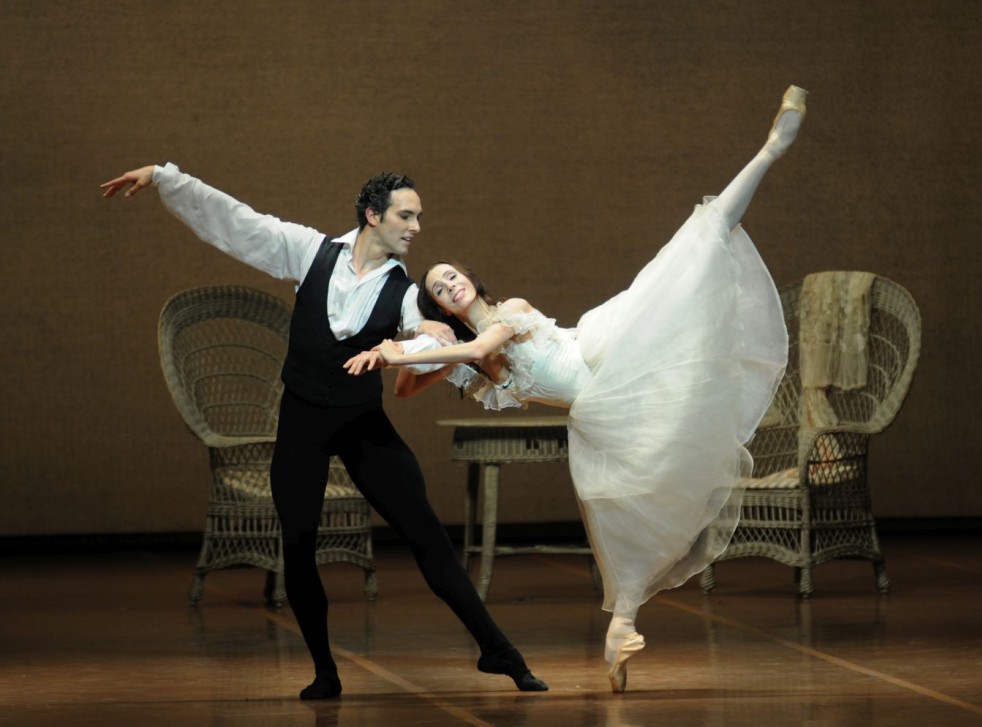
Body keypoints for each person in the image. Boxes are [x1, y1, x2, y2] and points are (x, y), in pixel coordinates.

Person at [344, 85, 806, 693]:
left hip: (609, 349)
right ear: (439, 305)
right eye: (437, 287)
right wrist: (410, 341)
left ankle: (771, 149)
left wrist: (398, 349)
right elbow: (408, 389)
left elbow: (481, 347)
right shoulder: (474, 367)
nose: (448, 284)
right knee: (627, 523)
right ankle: (621, 628)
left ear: (472, 282)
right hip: (598, 409)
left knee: (690, 253)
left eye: (452, 275)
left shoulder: (509, 312)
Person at [100, 165, 548, 698]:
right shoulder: (309, 251)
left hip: (363, 427)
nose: (416, 227)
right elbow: (236, 221)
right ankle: (324, 673)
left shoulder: (405, 291)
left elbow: (426, 341)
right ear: (372, 216)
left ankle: (499, 651)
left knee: (428, 538)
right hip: (303, 424)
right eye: (406, 216)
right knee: (299, 544)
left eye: (419, 217)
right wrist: (165, 177)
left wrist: (420, 338)